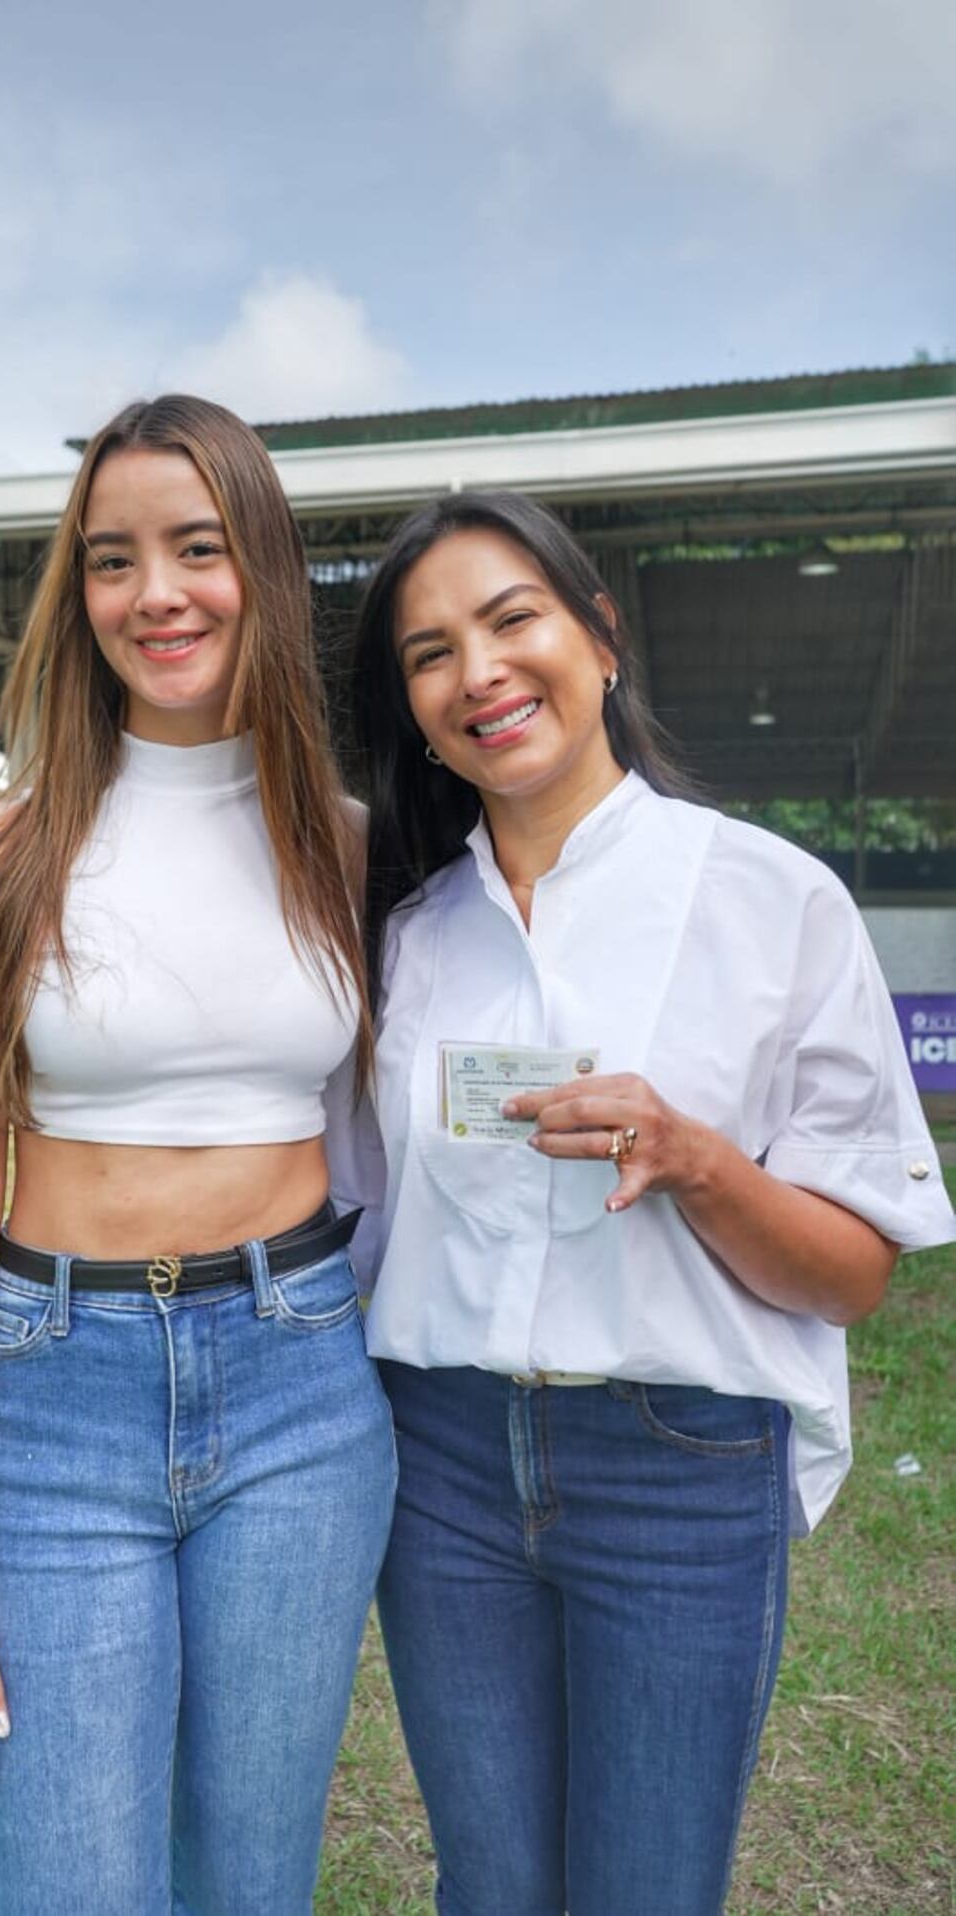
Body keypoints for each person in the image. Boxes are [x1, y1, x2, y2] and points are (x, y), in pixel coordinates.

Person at [349, 491, 956, 1916]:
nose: (480, 674)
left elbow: (854, 1275)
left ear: (599, 638)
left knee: (648, 1891)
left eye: (513, 621)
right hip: (438, 1468)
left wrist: (701, 1163)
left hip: (678, 1467)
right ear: (416, 710)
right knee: (489, 1887)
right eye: (431, 654)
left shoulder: (777, 901)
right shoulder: (411, 939)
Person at [0, 394, 396, 1916]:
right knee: (72, 1884)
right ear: (79, 591)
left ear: (266, 567)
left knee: (254, 1878)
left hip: (303, 1387)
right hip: (56, 1406)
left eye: (197, 545)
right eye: (113, 559)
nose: (155, 592)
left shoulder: (354, 849)